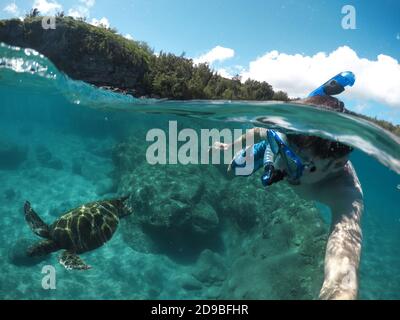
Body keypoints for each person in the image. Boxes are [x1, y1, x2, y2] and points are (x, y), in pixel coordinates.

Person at [213, 72, 363, 300]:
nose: (281, 165)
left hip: (281, 148)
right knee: (234, 169)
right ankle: (276, 146)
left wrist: (339, 293)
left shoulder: (346, 194)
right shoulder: (285, 139)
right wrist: (229, 146)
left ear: (335, 165)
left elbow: (343, 269)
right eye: (282, 143)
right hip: (270, 148)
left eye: (292, 163)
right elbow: (258, 131)